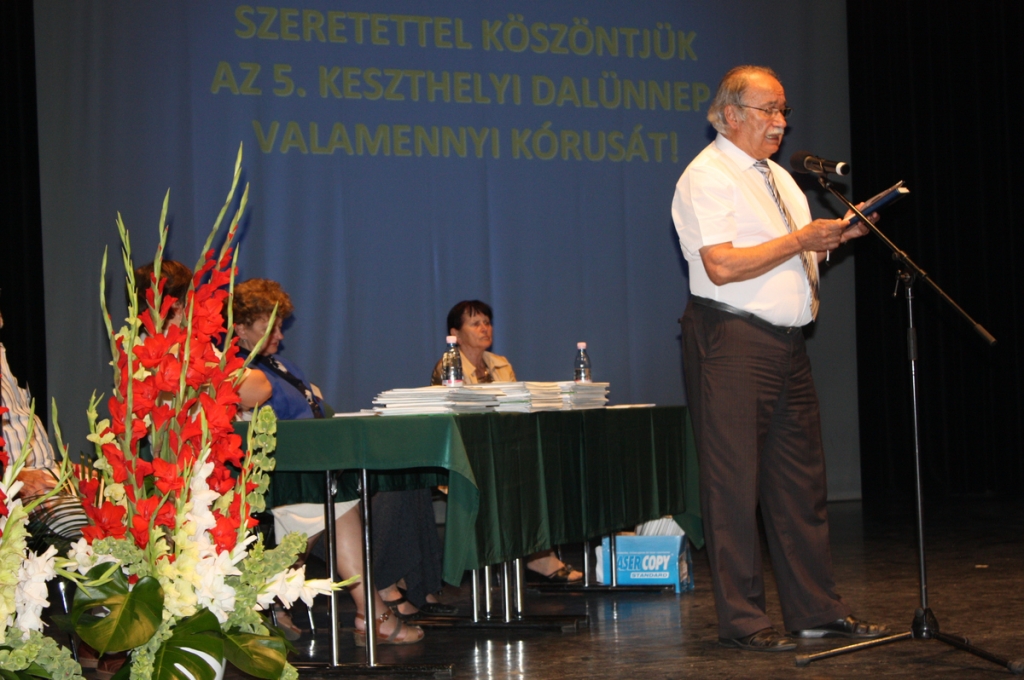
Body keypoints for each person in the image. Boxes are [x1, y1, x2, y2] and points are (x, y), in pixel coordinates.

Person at [671, 65, 885, 652]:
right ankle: (744, 621)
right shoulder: (707, 176)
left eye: (783, 110)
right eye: (768, 109)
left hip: (788, 344)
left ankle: (816, 611)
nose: (780, 122)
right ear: (731, 113)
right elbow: (721, 265)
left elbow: (790, 257)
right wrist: (800, 239)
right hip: (732, 340)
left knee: (800, 485)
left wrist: (835, 237)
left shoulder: (782, 179)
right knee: (733, 487)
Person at [232, 278, 424, 646]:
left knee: (337, 495)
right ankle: (367, 612)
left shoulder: (281, 366)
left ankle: (274, 595)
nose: (279, 335)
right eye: (269, 327)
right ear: (240, 328)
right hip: (276, 474)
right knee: (332, 499)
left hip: (313, 469)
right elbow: (250, 398)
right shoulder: (233, 368)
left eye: (280, 326)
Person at [431, 300, 582, 583]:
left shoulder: (500, 364)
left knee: (541, 465)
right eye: (475, 323)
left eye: (487, 322)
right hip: (466, 453)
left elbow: (514, 412)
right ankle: (530, 557)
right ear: (456, 333)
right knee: (517, 474)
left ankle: (538, 554)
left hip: (502, 448)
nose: (484, 328)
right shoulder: (447, 367)